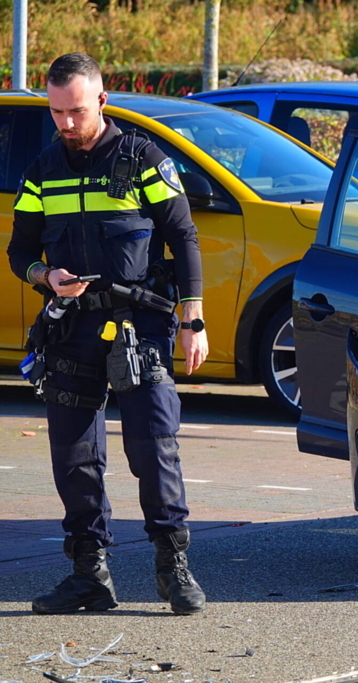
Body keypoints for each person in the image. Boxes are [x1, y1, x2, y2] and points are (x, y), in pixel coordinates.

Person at [6, 53, 209, 615]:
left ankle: (174, 571)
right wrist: (44, 276)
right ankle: (89, 577)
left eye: (75, 111)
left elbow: (184, 238)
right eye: (56, 113)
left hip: (138, 328)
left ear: (101, 101)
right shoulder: (43, 169)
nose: (66, 123)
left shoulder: (142, 158)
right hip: (70, 330)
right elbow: (19, 252)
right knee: (74, 458)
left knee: (153, 450)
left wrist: (192, 317)